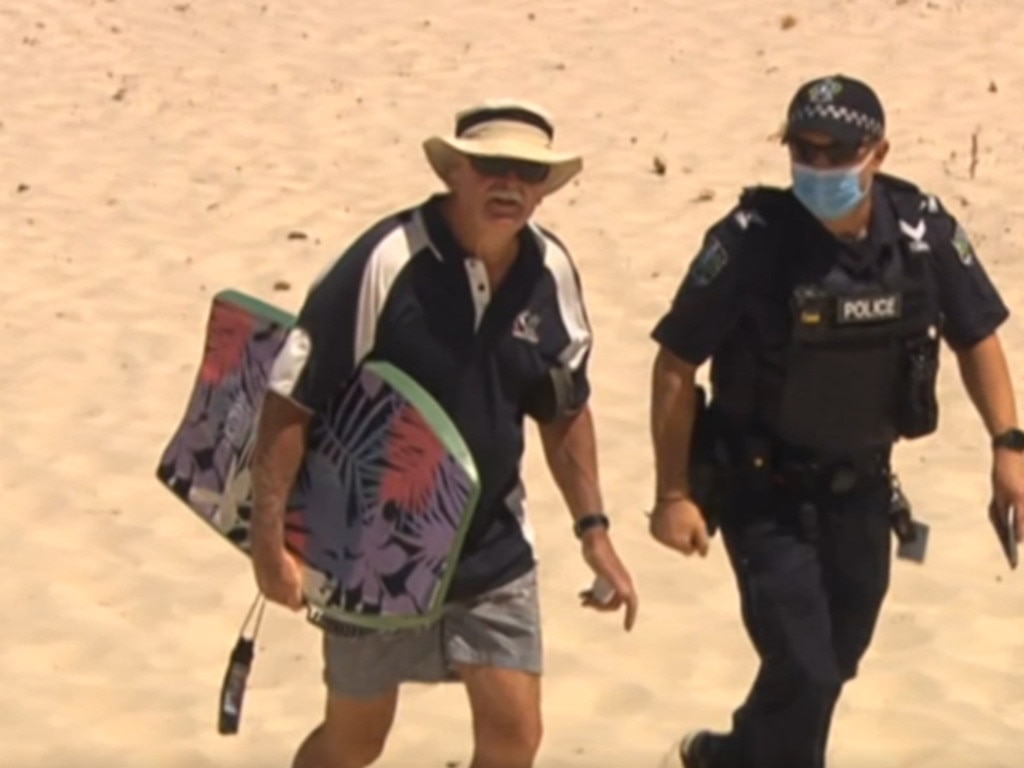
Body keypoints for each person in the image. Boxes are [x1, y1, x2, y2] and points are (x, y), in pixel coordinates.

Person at [647, 74, 1024, 768]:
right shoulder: (750, 241)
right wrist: (673, 495)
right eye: (804, 150)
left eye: (838, 152)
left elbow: (977, 336)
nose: (819, 168)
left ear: (878, 152)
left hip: (865, 495)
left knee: (831, 664)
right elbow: (675, 361)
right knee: (807, 667)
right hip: (763, 492)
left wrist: (1009, 445)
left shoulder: (921, 230)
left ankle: (729, 757)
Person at [248, 99, 638, 768]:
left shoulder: (551, 272)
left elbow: (564, 405)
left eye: (529, 173)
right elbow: (293, 399)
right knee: (354, 741)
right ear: (455, 171)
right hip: (368, 549)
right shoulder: (386, 260)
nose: (510, 184)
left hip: (492, 548)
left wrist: (594, 530)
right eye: (492, 166)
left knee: (516, 734)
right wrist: (267, 539)